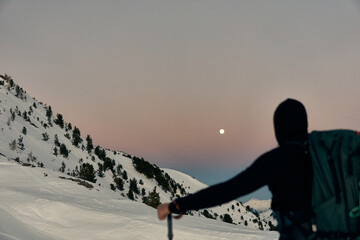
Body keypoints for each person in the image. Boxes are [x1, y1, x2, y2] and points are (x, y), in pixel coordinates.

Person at [157, 98, 313, 240]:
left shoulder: (277, 160)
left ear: (278, 128)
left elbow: (227, 191)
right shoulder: (327, 155)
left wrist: (175, 206)